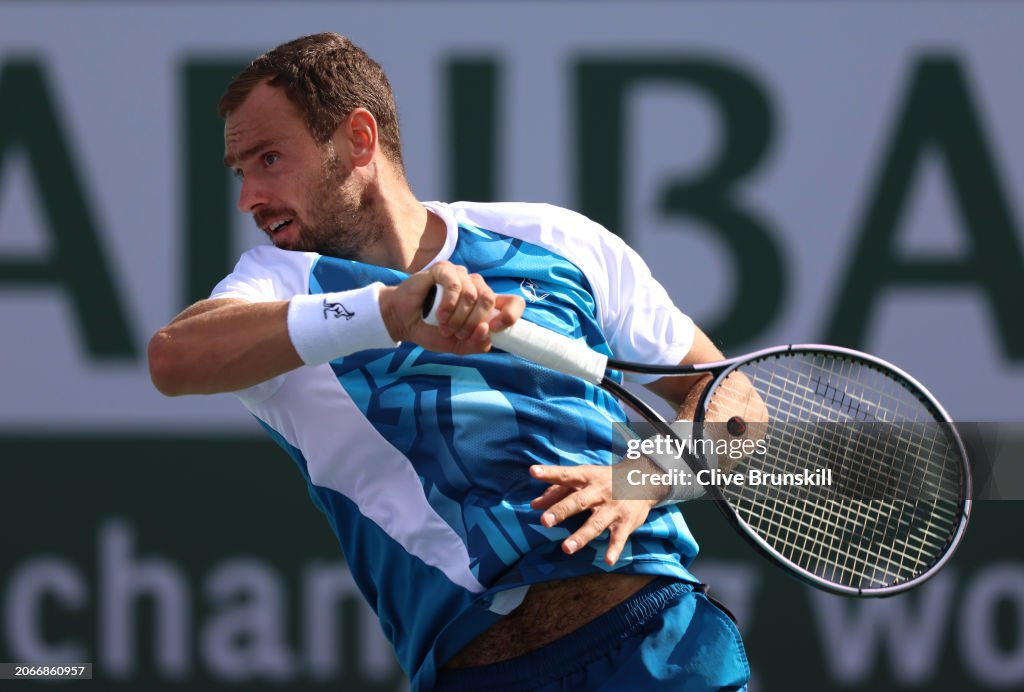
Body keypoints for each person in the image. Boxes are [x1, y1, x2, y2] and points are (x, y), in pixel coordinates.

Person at [148, 32, 749, 691]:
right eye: (241, 171)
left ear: (358, 139)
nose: (249, 198)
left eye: (269, 159)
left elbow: (736, 405)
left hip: (661, 647)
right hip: (476, 673)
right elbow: (174, 360)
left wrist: (644, 475)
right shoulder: (274, 286)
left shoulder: (556, 242)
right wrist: (387, 312)